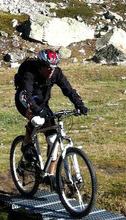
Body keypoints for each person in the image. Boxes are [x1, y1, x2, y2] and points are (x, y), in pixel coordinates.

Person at [14, 48, 88, 188]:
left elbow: (68, 90)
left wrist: (79, 104)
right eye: (48, 68)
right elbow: (27, 95)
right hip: (24, 100)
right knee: (37, 120)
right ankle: (26, 144)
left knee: (53, 138)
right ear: (41, 65)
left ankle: (50, 174)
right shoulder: (30, 72)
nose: (51, 71)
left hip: (42, 103)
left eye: (53, 68)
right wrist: (36, 110)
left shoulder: (56, 73)